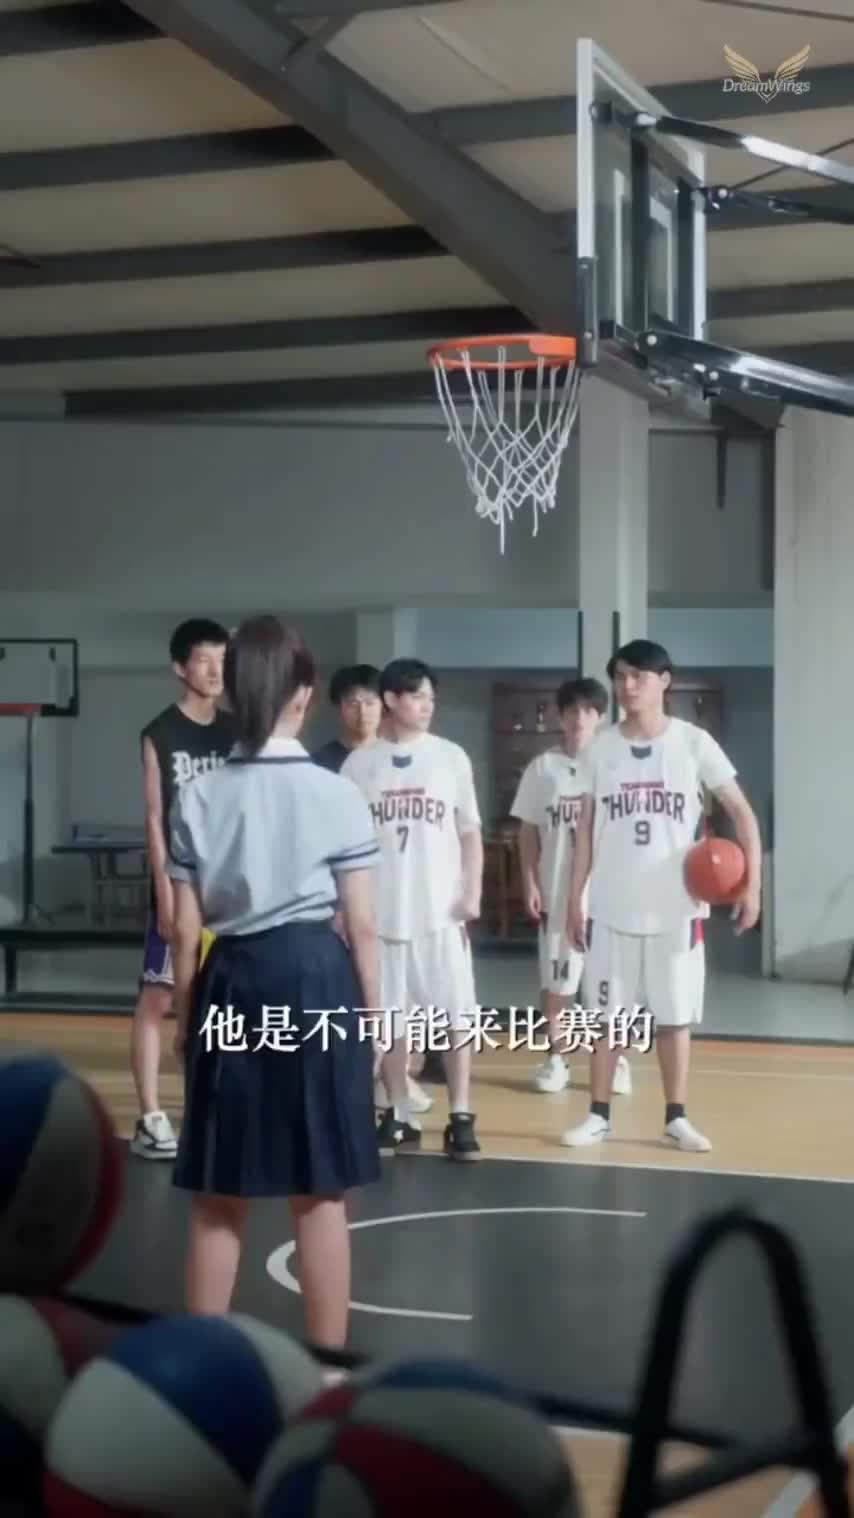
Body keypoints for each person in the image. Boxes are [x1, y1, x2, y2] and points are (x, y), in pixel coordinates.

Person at [166, 614, 382, 1346]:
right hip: (316, 979)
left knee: (218, 1192)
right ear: (304, 695)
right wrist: (378, 1023)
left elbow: (183, 930)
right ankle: (327, 1367)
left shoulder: (198, 796)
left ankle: (200, 1360)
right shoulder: (336, 793)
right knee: (320, 1192)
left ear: (234, 694)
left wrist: (187, 1020)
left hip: (230, 975)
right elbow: (363, 926)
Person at [563, 639, 761, 1153]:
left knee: (674, 1018)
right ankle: (598, 1115)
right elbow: (584, 835)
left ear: (664, 681)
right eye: (620, 677)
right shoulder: (599, 748)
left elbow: (743, 815)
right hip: (611, 907)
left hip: (676, 910)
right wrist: (574, 901)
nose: (628, 686)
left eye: (639, 676)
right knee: (607, 1020)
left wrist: (753, 886)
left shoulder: (693, 743)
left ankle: (676, 1118)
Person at [342, 658, 483, 1161]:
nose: (427, 706)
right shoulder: (359, 765)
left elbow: (470, 832)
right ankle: (399, 1112)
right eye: (419, 696)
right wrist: (346, 909)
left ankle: (461, 1114)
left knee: (457, 1015)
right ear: (392, 699)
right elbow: (347, 847)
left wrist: (472, 892)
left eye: (430, 698)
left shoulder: (450, 757)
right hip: (381, 917)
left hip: (439, 913)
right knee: (390, 1021)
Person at [130, 618, 236, 1161]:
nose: (215, 670)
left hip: (227, 892)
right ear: (180, 667)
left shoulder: (236, 732)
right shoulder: (161, 733)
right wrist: (165, 892)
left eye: (222, 659)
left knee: (217, 1002)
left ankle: (208, 1106)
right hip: (180, 884)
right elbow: (155, 819)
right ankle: (150, 1116)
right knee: (159, 997)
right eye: (204, 660)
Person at [511, 677, 631, 1097]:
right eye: (572, 710)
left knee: (612, 986)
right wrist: (529, 880)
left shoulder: (615, 765)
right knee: (558, 984)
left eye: (588, 711)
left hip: (607, 897)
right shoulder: (543, 768)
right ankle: (557, 1058)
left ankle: (615, 1061)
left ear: (601, 717)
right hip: (558, 894)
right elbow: (528, 831)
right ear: (560, 717)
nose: (580, 718)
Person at [312, 664, 383, 773]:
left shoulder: (394, 758)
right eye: (353, 703)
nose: (362, 712)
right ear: (338, 706)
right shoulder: (320, 762)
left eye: (370, 703)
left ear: (383, 706)